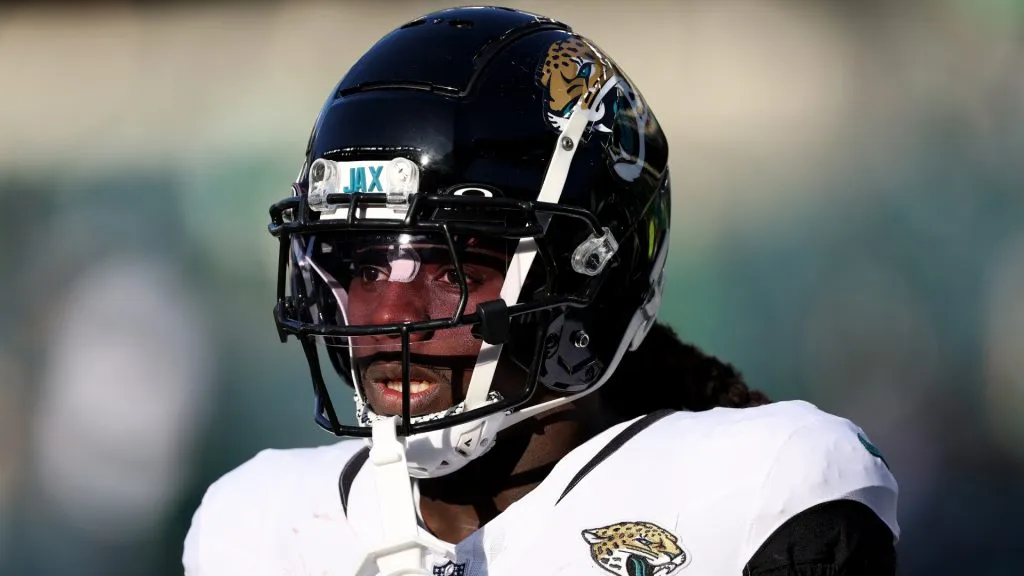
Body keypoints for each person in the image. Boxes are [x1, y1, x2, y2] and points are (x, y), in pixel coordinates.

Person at [182, 6, 899, 575]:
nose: (392, 314)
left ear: (587, 275)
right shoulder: (257, 529)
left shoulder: (755, 493)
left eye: (454, 270)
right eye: (365, 269)